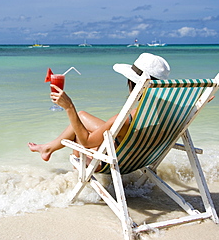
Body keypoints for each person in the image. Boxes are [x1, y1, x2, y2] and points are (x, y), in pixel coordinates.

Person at [28, 53, 170, 170]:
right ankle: (48, 148)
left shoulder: (126, 119)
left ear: (132, 83)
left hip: (115, 163)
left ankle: (51, 153)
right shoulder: (169, 113)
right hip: (138, 158)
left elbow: (86, 142)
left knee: (79, 136)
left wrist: (69, 106)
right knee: (82, 116)